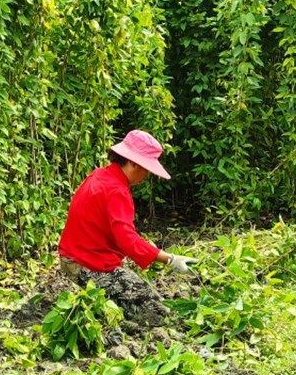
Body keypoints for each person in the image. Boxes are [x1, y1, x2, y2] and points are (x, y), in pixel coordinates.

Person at [58, 129, 195, 329]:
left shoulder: (100, 174)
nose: (147, 175)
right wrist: (170, 259)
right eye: (146, 169)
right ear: (133, 163)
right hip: (87, 265)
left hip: (74, 258)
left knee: (145, 298)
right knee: (159, 313)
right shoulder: (117, 190)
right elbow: (127, 240)